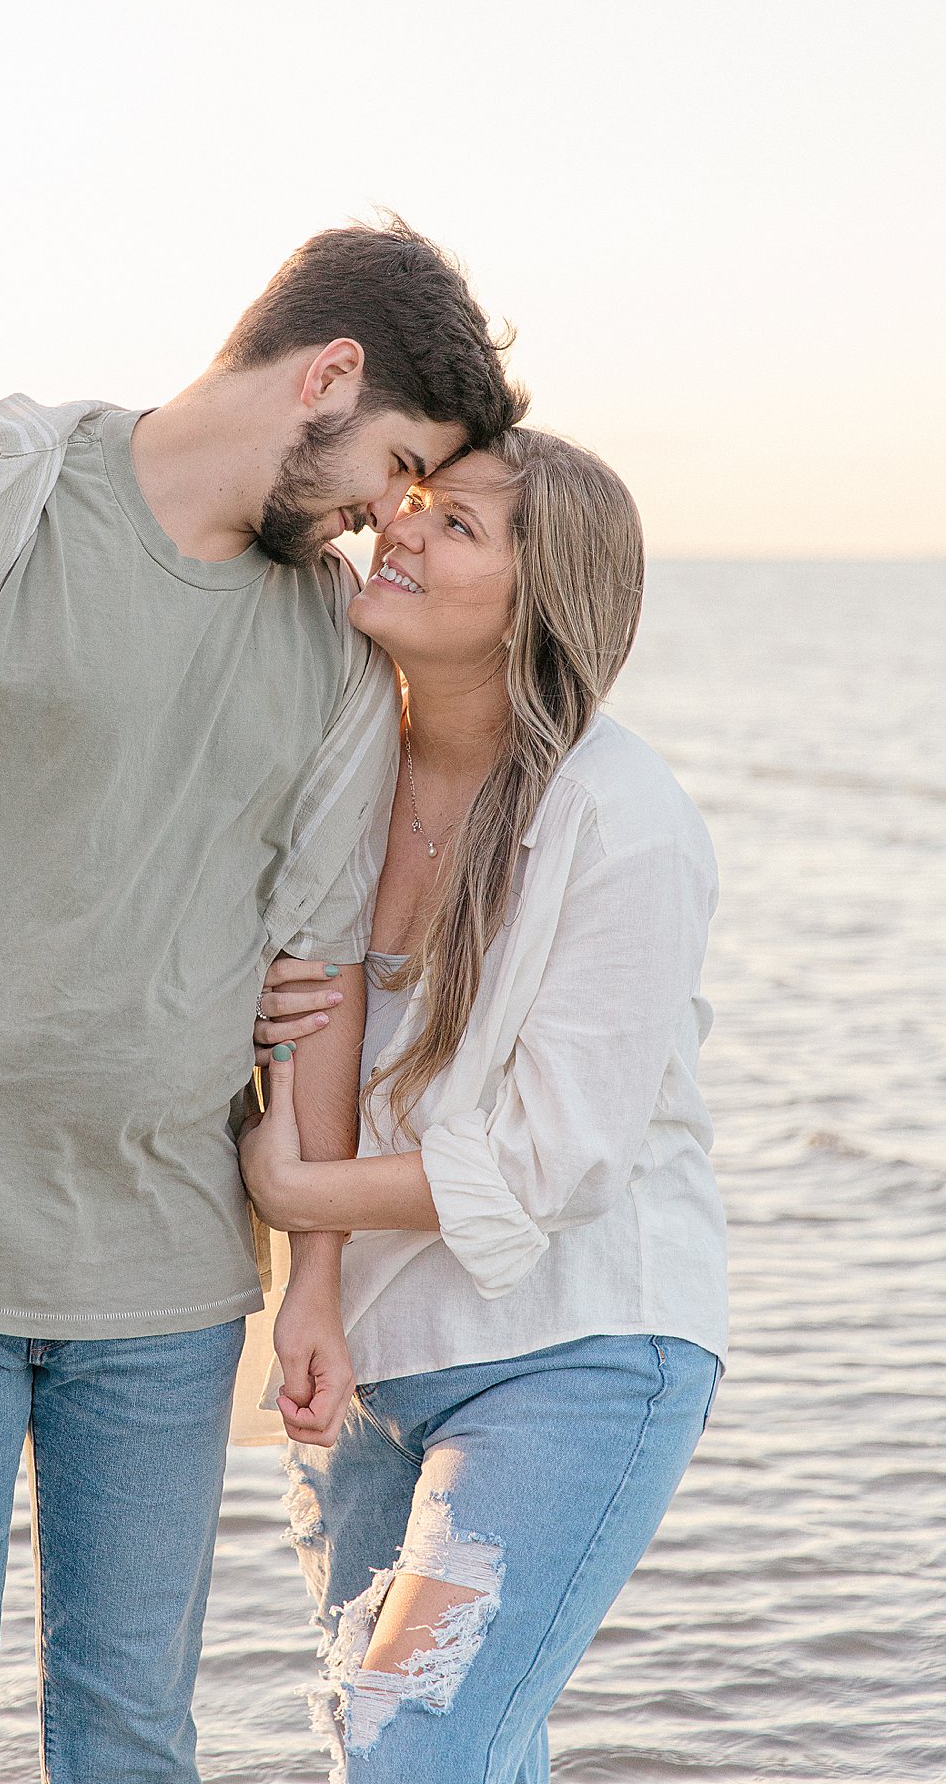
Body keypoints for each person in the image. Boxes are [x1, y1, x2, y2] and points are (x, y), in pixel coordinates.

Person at [0, 217, 527, 1783]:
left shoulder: (331, 653)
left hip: (164, 1267)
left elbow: (319, 982)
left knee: (134, 1737)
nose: (378, 521)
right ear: (326, 376)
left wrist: (316, 1279)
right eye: (391, 466)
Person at [240, 426, 727, 1782]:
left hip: (575, 1347)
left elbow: (556, 1158)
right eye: (404, 506)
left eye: (454, 525)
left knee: (415, 1742)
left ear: (539, 593)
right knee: (395, 1744)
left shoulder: (618, 818)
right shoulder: (340, 777)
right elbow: (313, 1061)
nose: (396, 531)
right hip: (377, 1349)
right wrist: (312, 1282)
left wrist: (294, 1194)